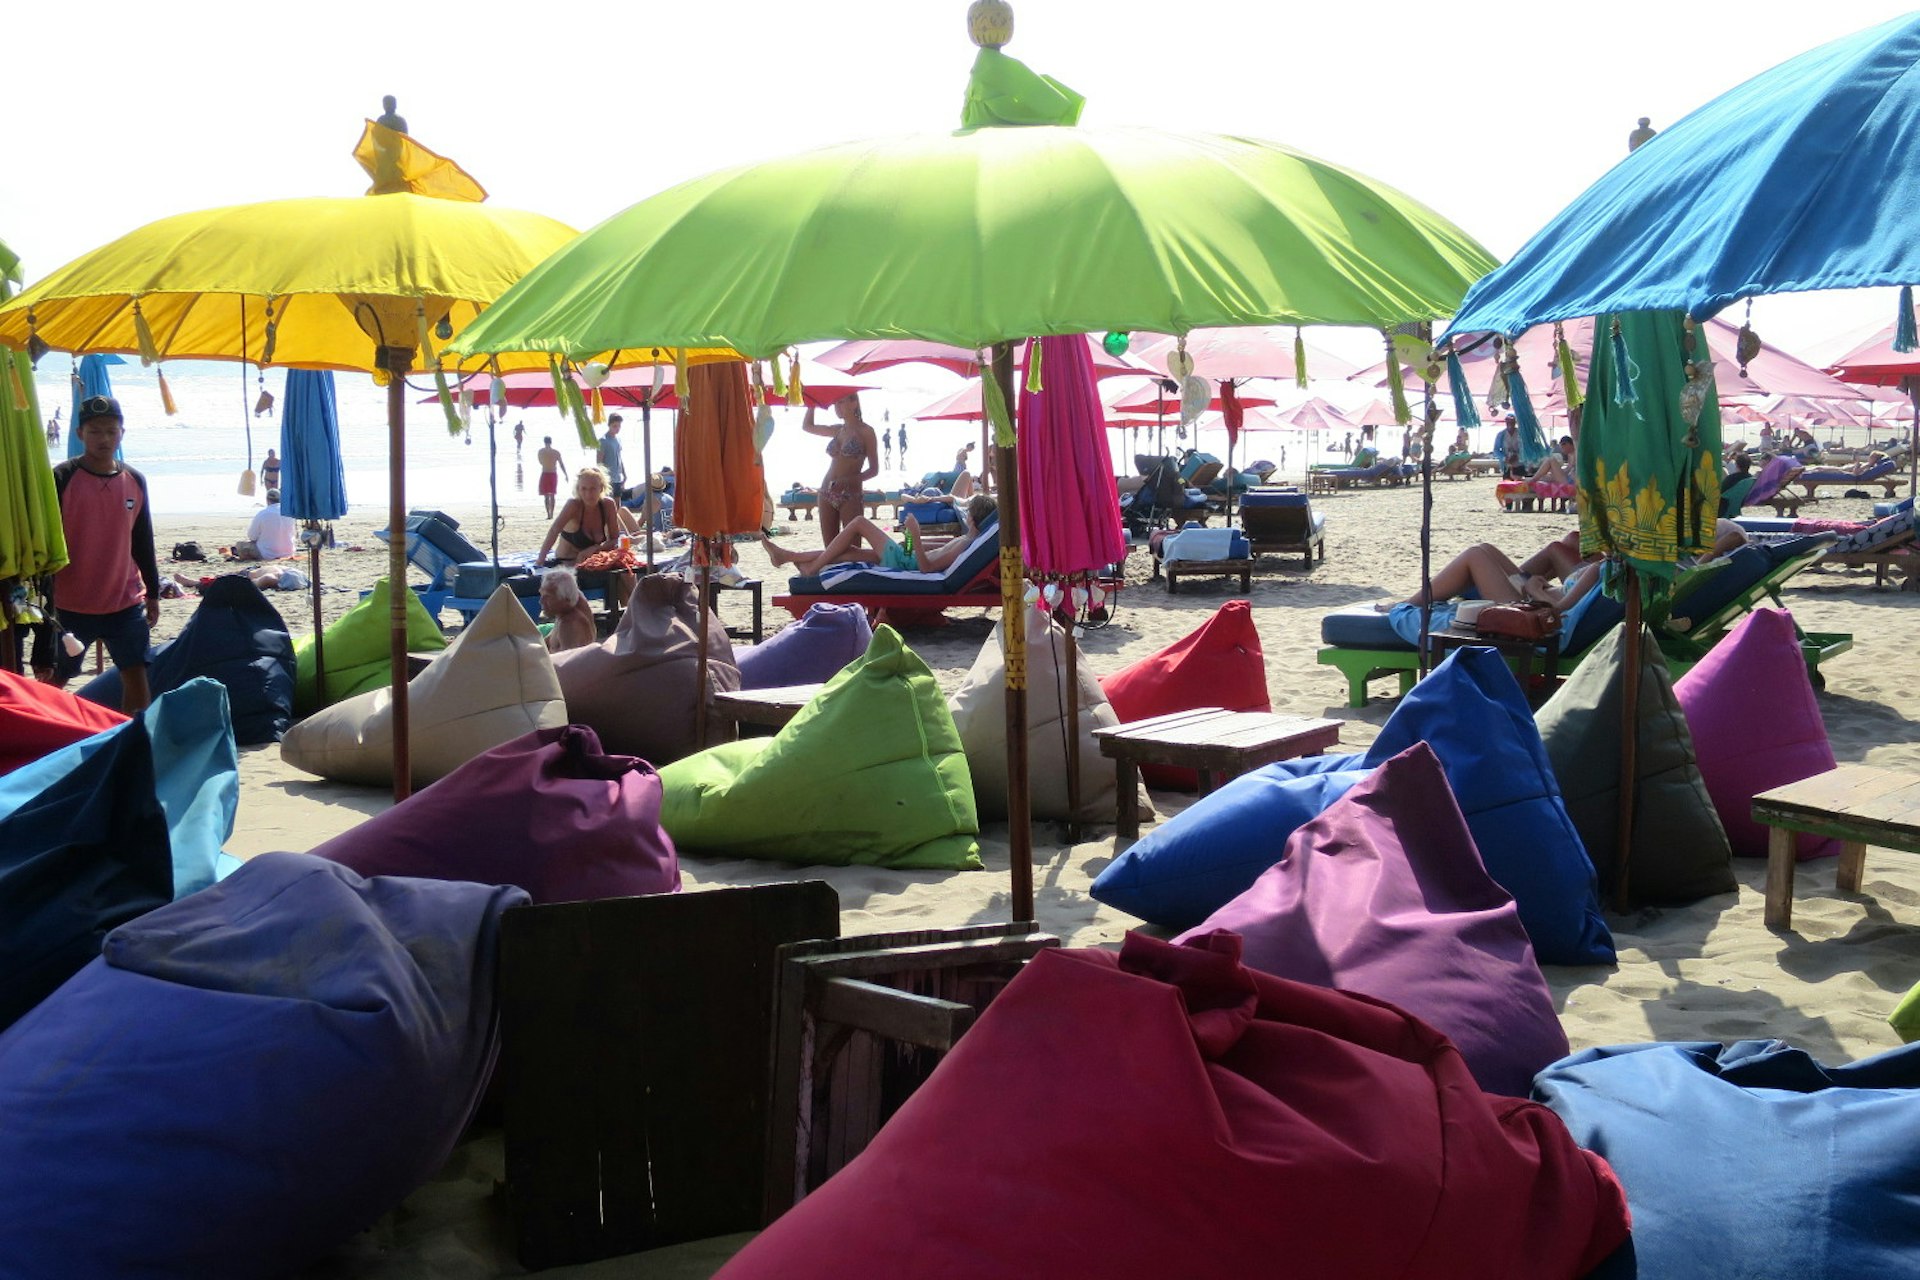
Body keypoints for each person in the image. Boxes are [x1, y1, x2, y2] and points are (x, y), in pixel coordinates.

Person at [49, 395, 161, 713]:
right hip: (71, 604)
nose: (104, 439)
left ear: (122, 434)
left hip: (124, 601)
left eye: (111, 431)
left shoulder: (134, 480)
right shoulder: (62, 478)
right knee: (56, 676)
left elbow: (142, 539)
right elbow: (45, 539)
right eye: (96, 431)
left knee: (136, 673)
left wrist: (152, 592)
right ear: (80, 433)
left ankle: (132, 742)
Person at [763, 494, 996, 578]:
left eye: (967, 513)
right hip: (905, 557)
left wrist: (914, 534)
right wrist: (911, 538)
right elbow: (927, 551)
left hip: (905, 563)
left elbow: (925, 568)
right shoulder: (968, 542)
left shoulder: (965, 545)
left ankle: (811, 568)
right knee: (852, 552)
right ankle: (790, 556)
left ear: (972, 520)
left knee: (859, 523)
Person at [800, 392, 879, 544]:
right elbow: (807, 426)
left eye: (841, 402)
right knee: (830, 549)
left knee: (854, 549)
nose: (837, 407)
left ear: (854, 403)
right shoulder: (838, 430)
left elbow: (874, 470)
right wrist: (812, 403)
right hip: (826, 491)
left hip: (850, 493)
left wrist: (847, 481)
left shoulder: (866, 432)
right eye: (835, 403)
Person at [535, 466, 623, 568]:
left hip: (593, 562)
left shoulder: (608, 505)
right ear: (578, 489)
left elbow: (615, 539)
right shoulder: (573, 506)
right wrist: (540, 561)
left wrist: (596, 548)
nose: (588, 494)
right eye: (583, 489)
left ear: (601, 488)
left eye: (593, 489)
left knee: (625, 570)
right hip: (567, 563)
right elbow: (554, 531)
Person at [539, 567, 599, 654]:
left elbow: (567, 663)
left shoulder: (570, 623)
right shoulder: (565, 609)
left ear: (565, 599)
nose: (541, 601)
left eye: (547, 597)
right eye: (542, 595)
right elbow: (547, 642)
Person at [230, 488, 297, 560]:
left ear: (267, 500)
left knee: (240, 545)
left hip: (266, 554)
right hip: (288, 552)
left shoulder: (262, 514)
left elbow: (252, 536)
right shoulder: (289, 514)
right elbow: (293, 534)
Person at [535, 435, 568, 518]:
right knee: (552, 495)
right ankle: (552, 514)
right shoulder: (556, 452)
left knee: (546, 495)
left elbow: (541, 462)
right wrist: (565, 474)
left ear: (544, 442)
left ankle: (548, 514)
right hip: (553, 474)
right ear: (551, 442)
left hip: (545, 473)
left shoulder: (541, 451)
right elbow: (561, 464)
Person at [598, 414, 626, 499]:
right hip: (608, 478)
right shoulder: (603, 440)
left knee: (618, 502)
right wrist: (601, 478)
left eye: (619, 426)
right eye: (615, 426)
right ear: (609, 425)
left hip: (618, 477)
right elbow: (599, 462)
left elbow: (619, 458)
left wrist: (624, 474)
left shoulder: (618, 440)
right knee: (608, 502)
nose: (617, 428)